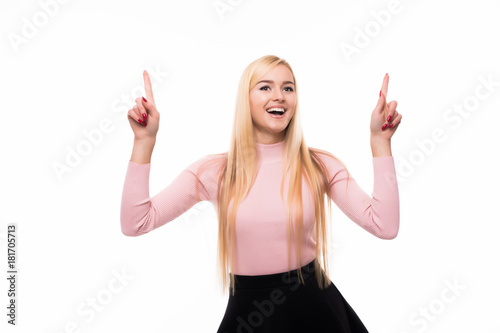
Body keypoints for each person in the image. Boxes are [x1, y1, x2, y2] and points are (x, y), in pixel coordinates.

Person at [120, 55, 401, 332]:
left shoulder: (319, 166)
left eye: (287, 88)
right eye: (265, 87)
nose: (279, 96)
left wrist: (380, 142)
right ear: (247, 99)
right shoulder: (214, 172)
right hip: (248, 315)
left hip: (316, 312)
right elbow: (136, 223)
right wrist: (144, 142)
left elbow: (384, 225)